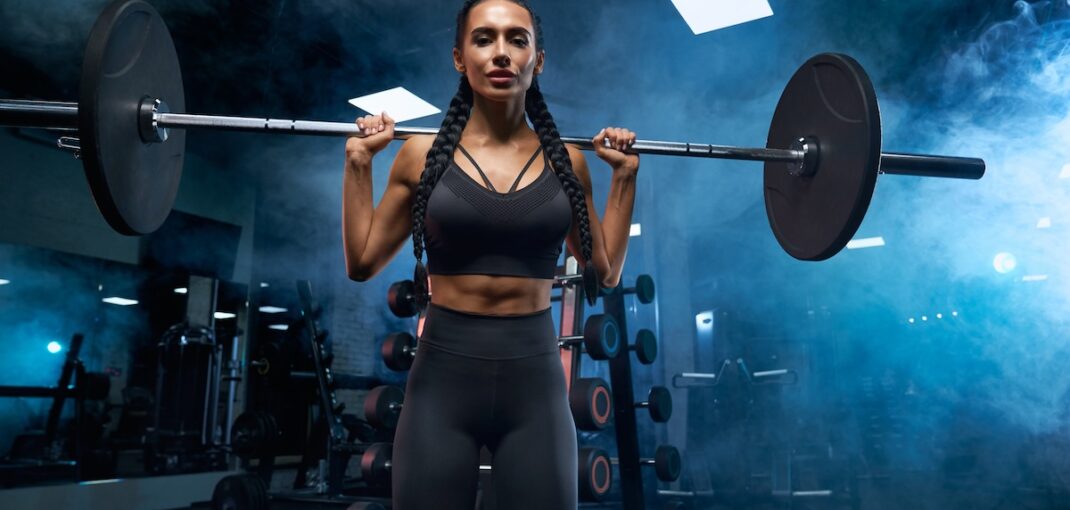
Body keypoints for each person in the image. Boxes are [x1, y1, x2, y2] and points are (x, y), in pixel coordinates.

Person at [341, 0, 639, 508]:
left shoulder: (567, 163)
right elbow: (362, 262)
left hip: (535, 384)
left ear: (537, 60)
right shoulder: (421, 154)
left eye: (517, 40)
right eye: (484, 39)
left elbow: (605, 273)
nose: (501, 53)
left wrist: (625, 178)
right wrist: (358, 163)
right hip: (441, 383)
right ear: (460, 57)